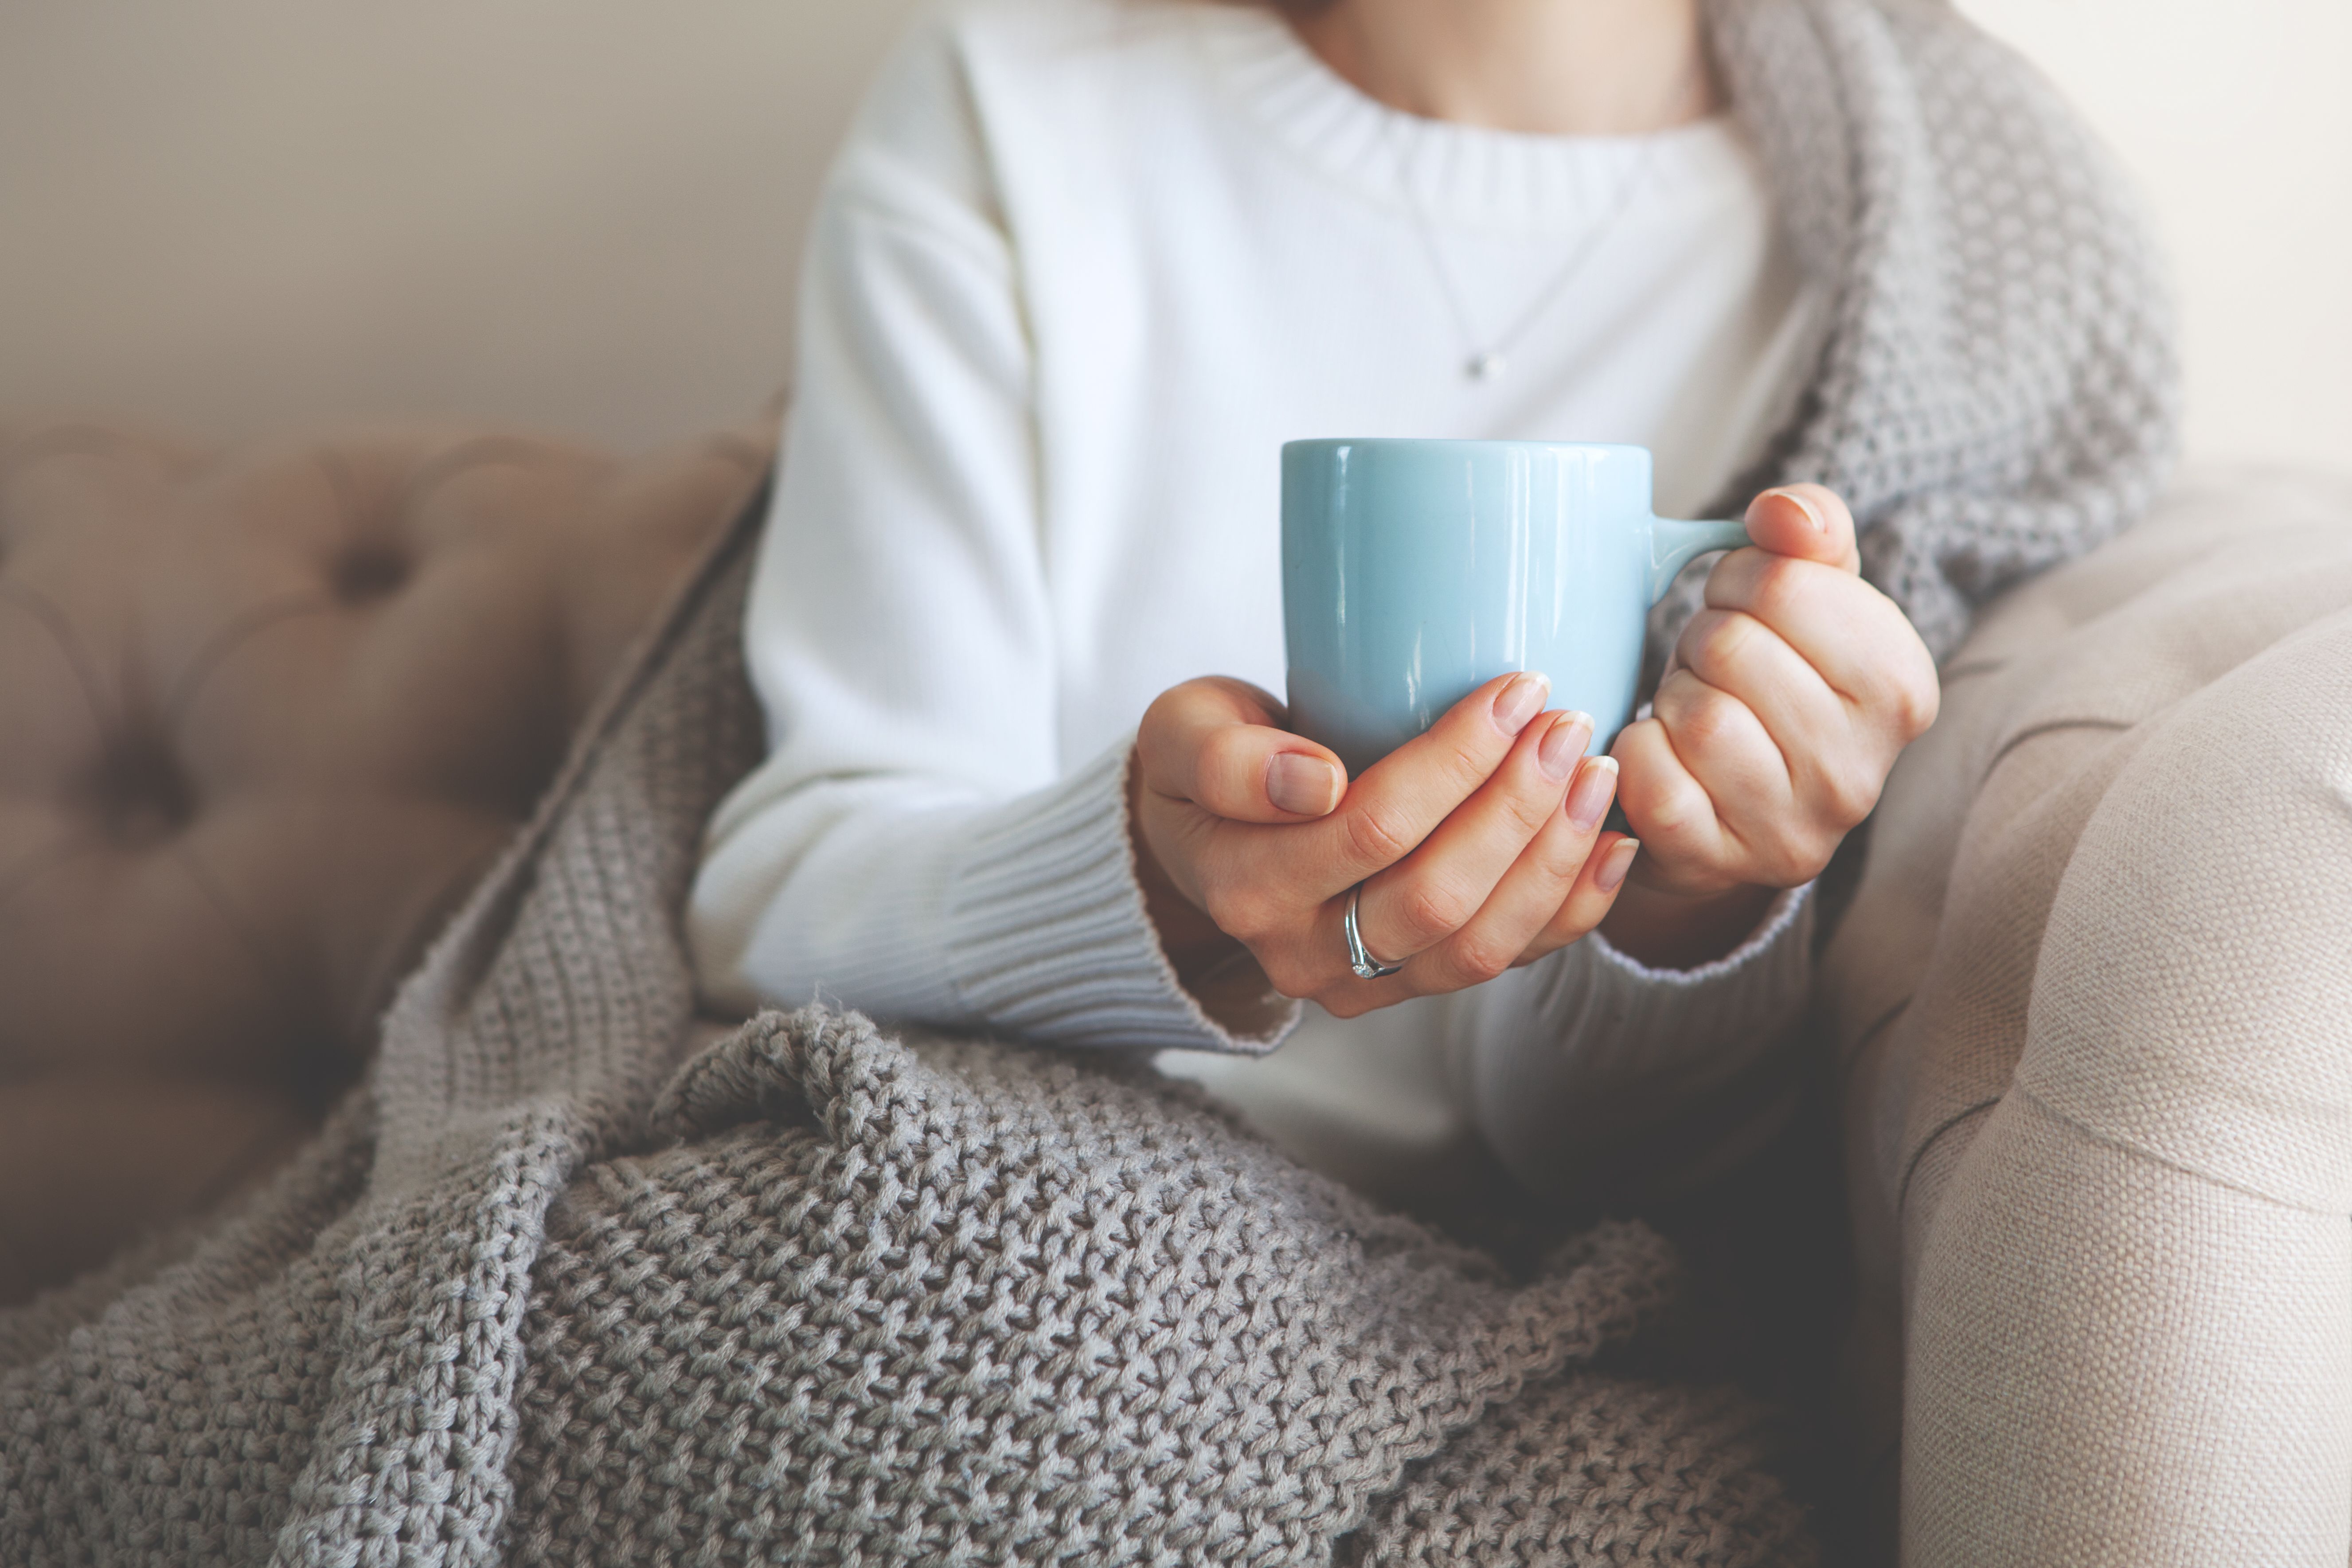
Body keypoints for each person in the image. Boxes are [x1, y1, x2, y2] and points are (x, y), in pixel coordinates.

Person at [689, 0, 2158, 1270]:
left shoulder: (1961, 265)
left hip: (1541, 1292)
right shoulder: (1012, 111)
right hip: (972, 1199)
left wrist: (1687, 903)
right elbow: (778, 898)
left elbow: (1615, 1172)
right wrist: (1152, 888)